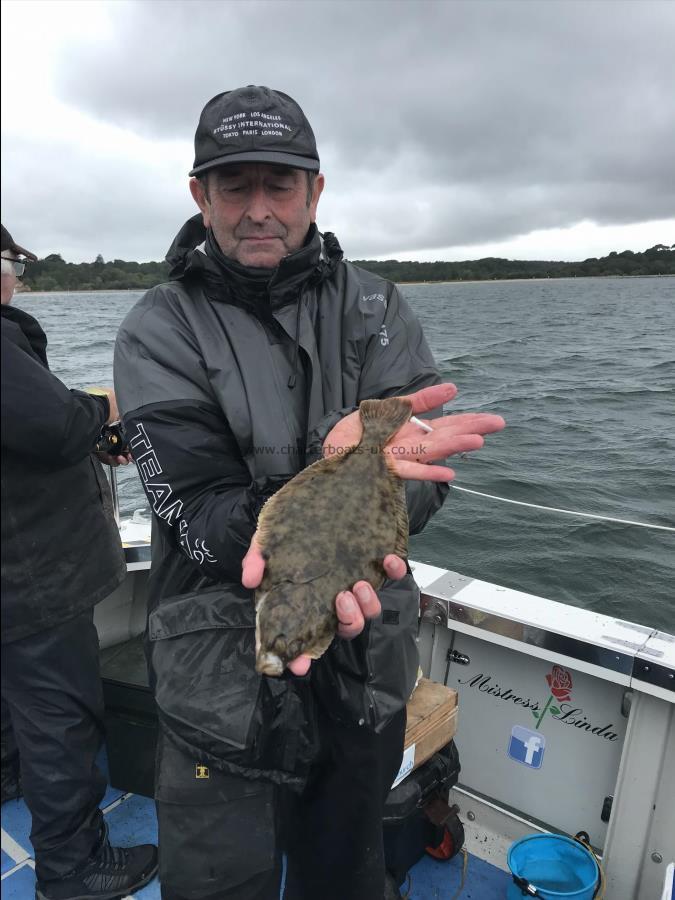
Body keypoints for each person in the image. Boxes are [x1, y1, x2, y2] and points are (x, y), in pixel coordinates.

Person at [114, 85, 505, 900]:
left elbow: (423, 473)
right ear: (200, 195)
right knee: (220, 881)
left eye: (279, 185)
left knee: (346, 875)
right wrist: (335, 471)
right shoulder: (159, 325)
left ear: (315, 190)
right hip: (214, 664)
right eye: (234, 185)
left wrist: (378, 473)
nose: (259, 208)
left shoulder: (376, 306)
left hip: (367, 660)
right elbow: (190, 507)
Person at [1, 224, 159, 899]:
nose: (18, 278)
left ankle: (10, 774)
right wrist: (104, 412)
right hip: (30, 579)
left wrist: (86, 428)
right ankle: (74, 870)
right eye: (12, 263)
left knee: (17, 708)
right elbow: (57, 425)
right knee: (60, 719)